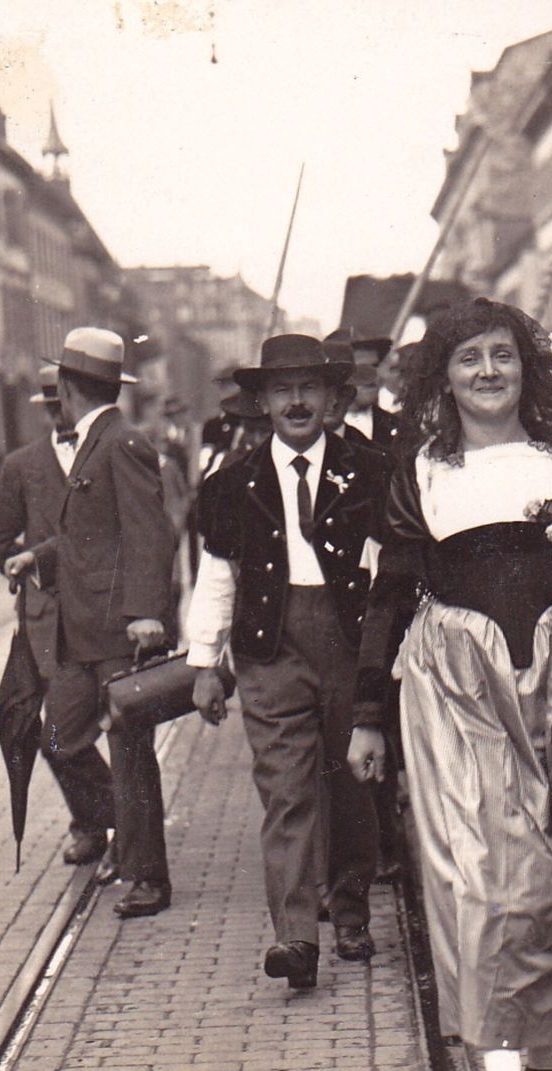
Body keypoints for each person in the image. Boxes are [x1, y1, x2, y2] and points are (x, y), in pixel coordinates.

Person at [345, 298, 552, 1071]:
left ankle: (546, 1051)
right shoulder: (420, 473)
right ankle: (499, 1062)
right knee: (478, 880)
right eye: (469, 358)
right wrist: (368, 716)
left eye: (502, 355)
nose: (488, 372)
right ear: (442, 378)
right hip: (455, 689)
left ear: (528, 368)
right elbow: (388, 597)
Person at [184, 334, 388, 987]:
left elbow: (391, 571)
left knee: (353, 780)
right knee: (286, 789)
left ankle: (351, 910)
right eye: (281, 390)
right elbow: (217, 574)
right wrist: (203, 662)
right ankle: (296, 937)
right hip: (268, 647)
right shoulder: (231, 485)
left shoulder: (373, 470)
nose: (296, 401)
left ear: (331, 398)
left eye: (309, 388)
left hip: (350, 642)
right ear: (263, 402)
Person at [3, 328, 176, 918]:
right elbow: (88, 534)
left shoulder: (120, 443)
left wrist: (149, 612)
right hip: (79, 635)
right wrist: (41, 556)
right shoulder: (97, 441)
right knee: (58, 735)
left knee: (130, 754)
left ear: (70, 389)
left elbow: (150, 531)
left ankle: (147, 876)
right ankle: (116, 834)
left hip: (116, 631)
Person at [0, 364, 115, 869]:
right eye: (54, 406)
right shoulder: (21, 465)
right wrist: (34, 565)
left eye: (67, 402)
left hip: (101, 613)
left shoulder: (107, 451)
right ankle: (97, 822)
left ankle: (111, 824)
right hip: (46, 622)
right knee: (56, 733)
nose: (64, 413)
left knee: (102, 724)